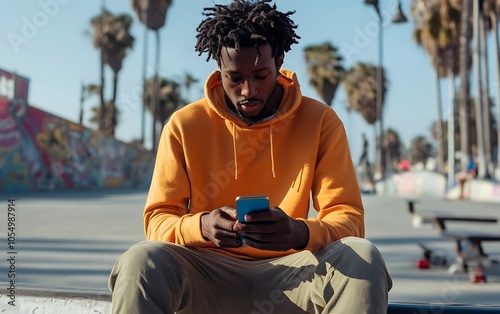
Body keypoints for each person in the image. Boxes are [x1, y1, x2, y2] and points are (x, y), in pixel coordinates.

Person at [108, 1, 392, 313]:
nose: (248, 90)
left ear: (280, 60)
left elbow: (349, 220)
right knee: (140, 260)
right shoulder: (184, 125)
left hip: (295, 273)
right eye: (235, 77)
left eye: (260, 75)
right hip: (206, 274)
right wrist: (201, 226)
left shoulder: (320, 121)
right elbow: (158, 221)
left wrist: (299, 232)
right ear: (218, 66)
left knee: (362, 256)